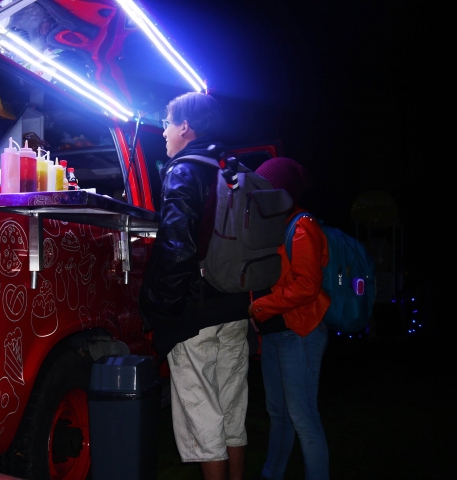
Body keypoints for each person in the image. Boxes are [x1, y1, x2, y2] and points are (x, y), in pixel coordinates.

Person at [139, 92, 254, 480]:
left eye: (168, 124)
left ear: (185, 127)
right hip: (237, 308)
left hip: (196, 314)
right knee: (233, 411)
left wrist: (160, 309)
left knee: (204, 418)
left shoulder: (184, 170)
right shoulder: (234, 171)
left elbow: (177, 247)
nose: (165, 133)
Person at [248, 157, 331, 480]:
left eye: (265, 187)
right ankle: (271, 474)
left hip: (300, 332)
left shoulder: (302, 226)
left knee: (303, 418)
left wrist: (260, 308)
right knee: (279, 414)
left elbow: (308, 286)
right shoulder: (278, 225)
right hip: (276, 333)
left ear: (280, 191)